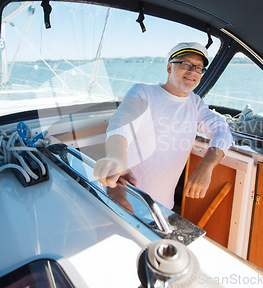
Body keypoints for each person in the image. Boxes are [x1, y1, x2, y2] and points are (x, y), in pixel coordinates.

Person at [93, 42, 233, 210]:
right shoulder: (143, 92)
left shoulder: (195, 104)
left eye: (198, 68)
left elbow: (222, 130)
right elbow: (122, 124)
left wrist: (206, 166)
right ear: (169, 67)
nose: (192, 71)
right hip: (123, 197)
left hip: (162, 207)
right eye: (186, 64)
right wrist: (116, 157)